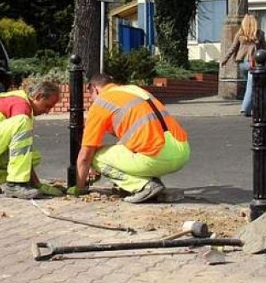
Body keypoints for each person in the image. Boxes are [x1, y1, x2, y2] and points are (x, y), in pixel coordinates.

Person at [69, 74, 190, 204]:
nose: (92, 100)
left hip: (157, 157)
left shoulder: (101, 103)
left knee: (96, 156)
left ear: (94, 89)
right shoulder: (134, 90)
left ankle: (144, 185)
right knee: (126, 147)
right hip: (182, 151)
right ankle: (138, 184)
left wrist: (79, 189)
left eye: (91, 96)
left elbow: (86, 155)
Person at [0, 81, 63, 200]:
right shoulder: (21, 105)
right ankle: (15, 184)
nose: (48, 111)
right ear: (38, 97)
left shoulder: (17, 100)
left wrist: (37, 184)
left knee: (33, 156)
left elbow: (20, 152)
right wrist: (34, 184)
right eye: (48, 106)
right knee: (22, 122)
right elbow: (20, 150)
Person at [221, 13, 266, 116]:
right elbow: (264, 51)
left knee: (250, 86)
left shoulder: (240, 34)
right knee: (251, 86)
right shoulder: (259, 34)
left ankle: (253, 108)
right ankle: (245, 109)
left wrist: (225, 59)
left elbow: (232, 48)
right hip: (254, 64)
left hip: (242, 64)